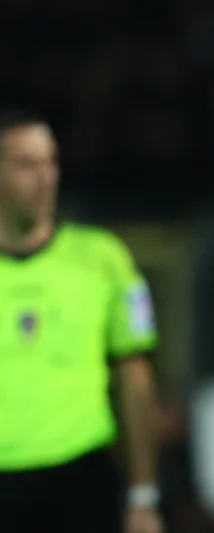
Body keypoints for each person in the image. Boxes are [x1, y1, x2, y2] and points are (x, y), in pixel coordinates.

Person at [0, 108, 163, 533]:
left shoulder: (103, 259)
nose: (46, 178)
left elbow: (135, 378)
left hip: (82, 476)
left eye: (51, 162)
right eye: (26, 165)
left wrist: (144, 496)